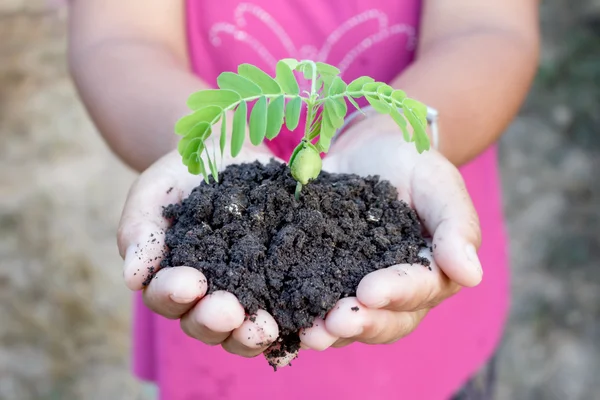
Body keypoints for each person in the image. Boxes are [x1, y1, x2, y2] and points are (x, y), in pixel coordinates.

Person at [67, 0, 539, 398]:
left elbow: (489, 30)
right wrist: (209, 140)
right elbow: (117, 40)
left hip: (429, 323)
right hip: (216, 355)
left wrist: (391, 128)